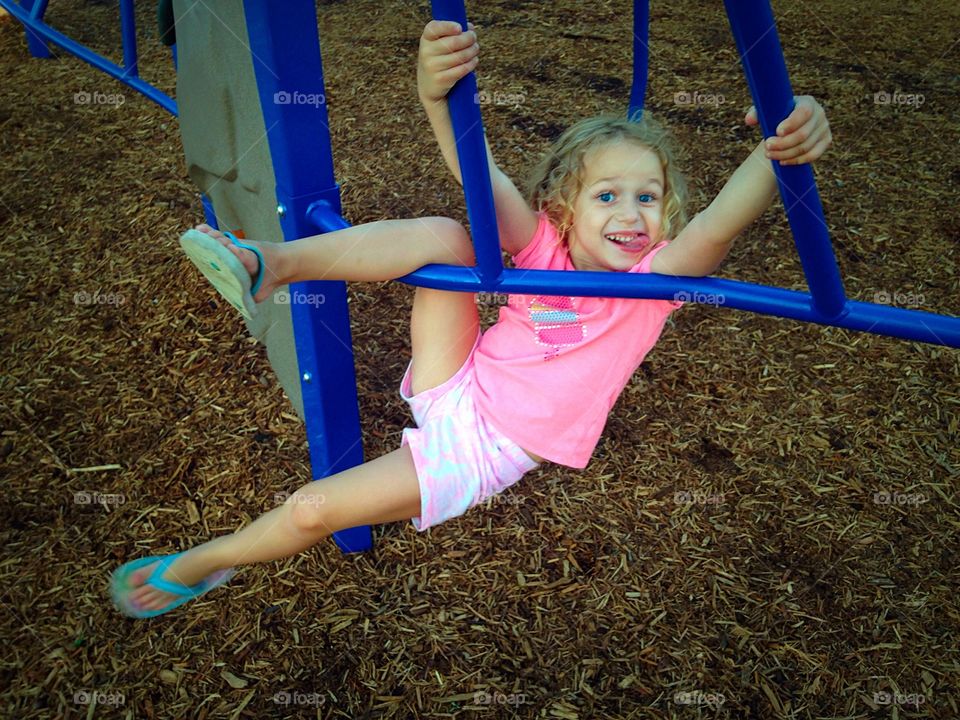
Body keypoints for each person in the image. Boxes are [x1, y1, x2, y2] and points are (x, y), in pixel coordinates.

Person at [111, 20, 831, 618]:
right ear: (565, 207)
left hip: (487, 448)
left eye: (649, 197)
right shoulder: (540, 243)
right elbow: (477, 174)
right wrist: (435, 93)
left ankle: (204, 563)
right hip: (456, 379)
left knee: (311, 509)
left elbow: (718, 224)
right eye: (608, 195)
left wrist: (779, 150)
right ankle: (273, 263)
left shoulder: (655, 282)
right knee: (451, 235)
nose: (632, 213)